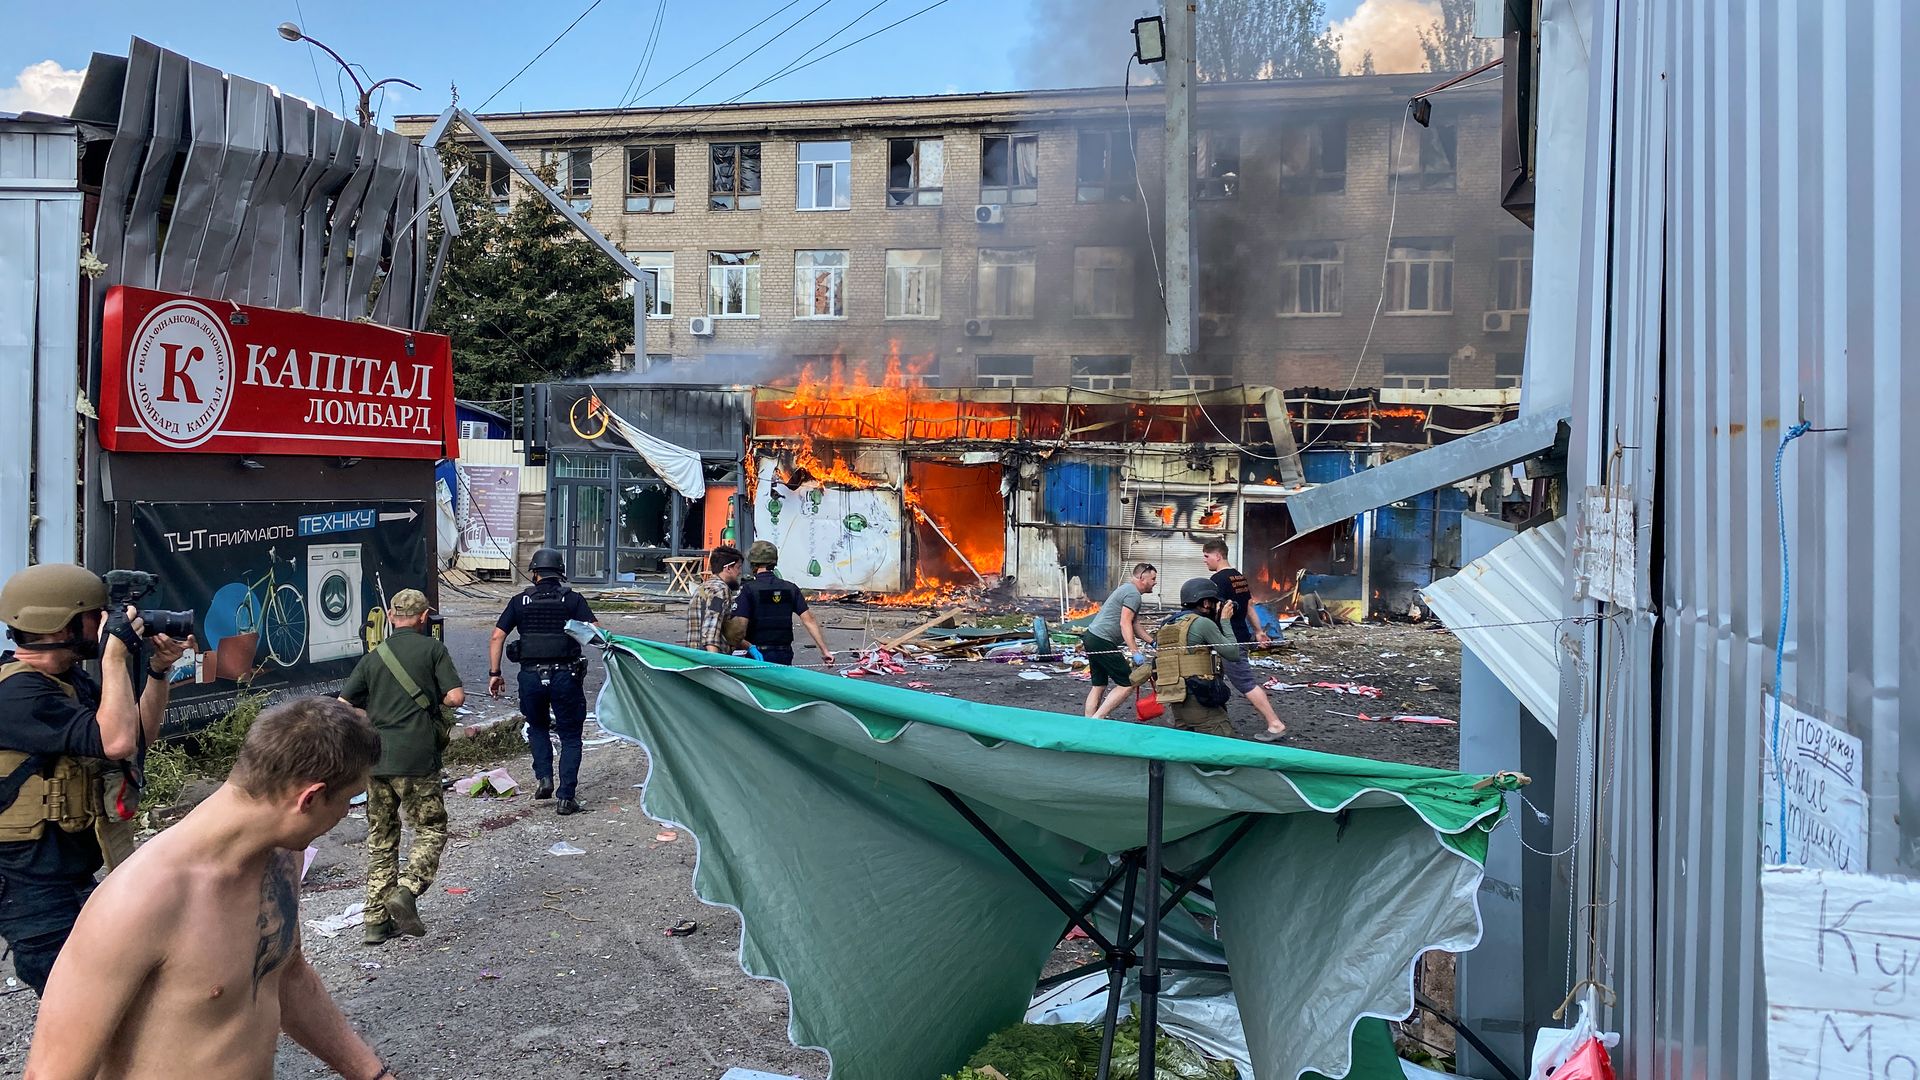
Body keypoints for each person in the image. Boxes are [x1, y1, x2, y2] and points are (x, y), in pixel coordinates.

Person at [25, 697, 397, 1080]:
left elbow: (285, 975)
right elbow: (51, 1074)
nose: (348, 813)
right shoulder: (139, 899)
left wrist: (372, 1074)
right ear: (311, 797)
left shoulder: (282, 858)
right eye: (350, 799)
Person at [0, 564, 189, 996]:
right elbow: (117, 742)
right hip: (32, 891)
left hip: (72, 877)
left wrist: (158, 671)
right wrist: (115, 653)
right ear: (61, 624)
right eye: (96, 615)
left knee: (113, 1002)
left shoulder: (65, 681)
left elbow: (137, 736)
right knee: (81, 1009)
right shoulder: (17, 695)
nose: (105, 623)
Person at [339, 589, 464, 945]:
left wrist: (373, 720)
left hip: (376, 760)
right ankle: (407, 891)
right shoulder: (433, 650)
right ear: (424, 617)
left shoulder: (374, 657)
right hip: (417, 760)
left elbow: (344, 703)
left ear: (392, 618)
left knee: (381, 840)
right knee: (430, 829)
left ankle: (375, 922)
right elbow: (455, 697)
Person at [488, 548, 597, 816]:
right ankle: (566, 797)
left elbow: (496, 637)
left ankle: (544, 778)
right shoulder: (572, 600)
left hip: (531, 676)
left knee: (536, 725)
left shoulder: (519, 601)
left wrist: (495, 673)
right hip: (566, 675)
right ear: (559, 573)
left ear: (534, 572)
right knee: (570, 735)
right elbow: (595, 633)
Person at [1134, 578, 1247, 739]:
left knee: (1185, 743)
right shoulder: (1201, 624)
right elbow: (1232, 653)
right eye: (1215, 603)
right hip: (1199, 698)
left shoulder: (1168, 625)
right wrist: (1225, 621)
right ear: (1206, 603)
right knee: (1224, 742)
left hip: (1176, 696)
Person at [1201, 540, 1287, 740]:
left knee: (1245, 682)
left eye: (1206, 556)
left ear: (1218, 556)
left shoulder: (1218, 580)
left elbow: (1215, 611)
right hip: (1240, 635)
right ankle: (1213, 720)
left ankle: (1275, 724)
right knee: (1213, 676)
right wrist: (1258, 631)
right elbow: (1249, 606)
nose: (1204, 560)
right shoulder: (1239, 577)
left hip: (1230, 639)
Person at [732, 540, 835, 667]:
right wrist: (825, 651)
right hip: (784, 653)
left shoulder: (748, 590)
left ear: (753, 563)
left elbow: (740, 627)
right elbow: (809, 620)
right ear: (774, 561)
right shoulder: (790, 588)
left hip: (756, 654)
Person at [1083, 563, 1157, 720]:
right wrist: (1134, 651)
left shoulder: (1128, 590)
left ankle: (1088, 722)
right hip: (1102, 640)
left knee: (1099, 685)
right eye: (1153, 578)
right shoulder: (1133, 594)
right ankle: (1098, 719)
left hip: (1091, 637)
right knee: (1127, 683)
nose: (1155, 582)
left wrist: (1152, 642)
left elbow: (1134, 624)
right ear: (1142, 577)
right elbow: (1125, 623)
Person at [686, 545, 745, 652]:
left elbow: (717, 625)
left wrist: (748, 646)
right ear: (728, 568)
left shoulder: (702, 588)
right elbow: (711, 627)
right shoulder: (719, 590)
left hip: (694, 654)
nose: (740, 572)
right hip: (707, 657)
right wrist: (714, 660)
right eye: (738, 567)